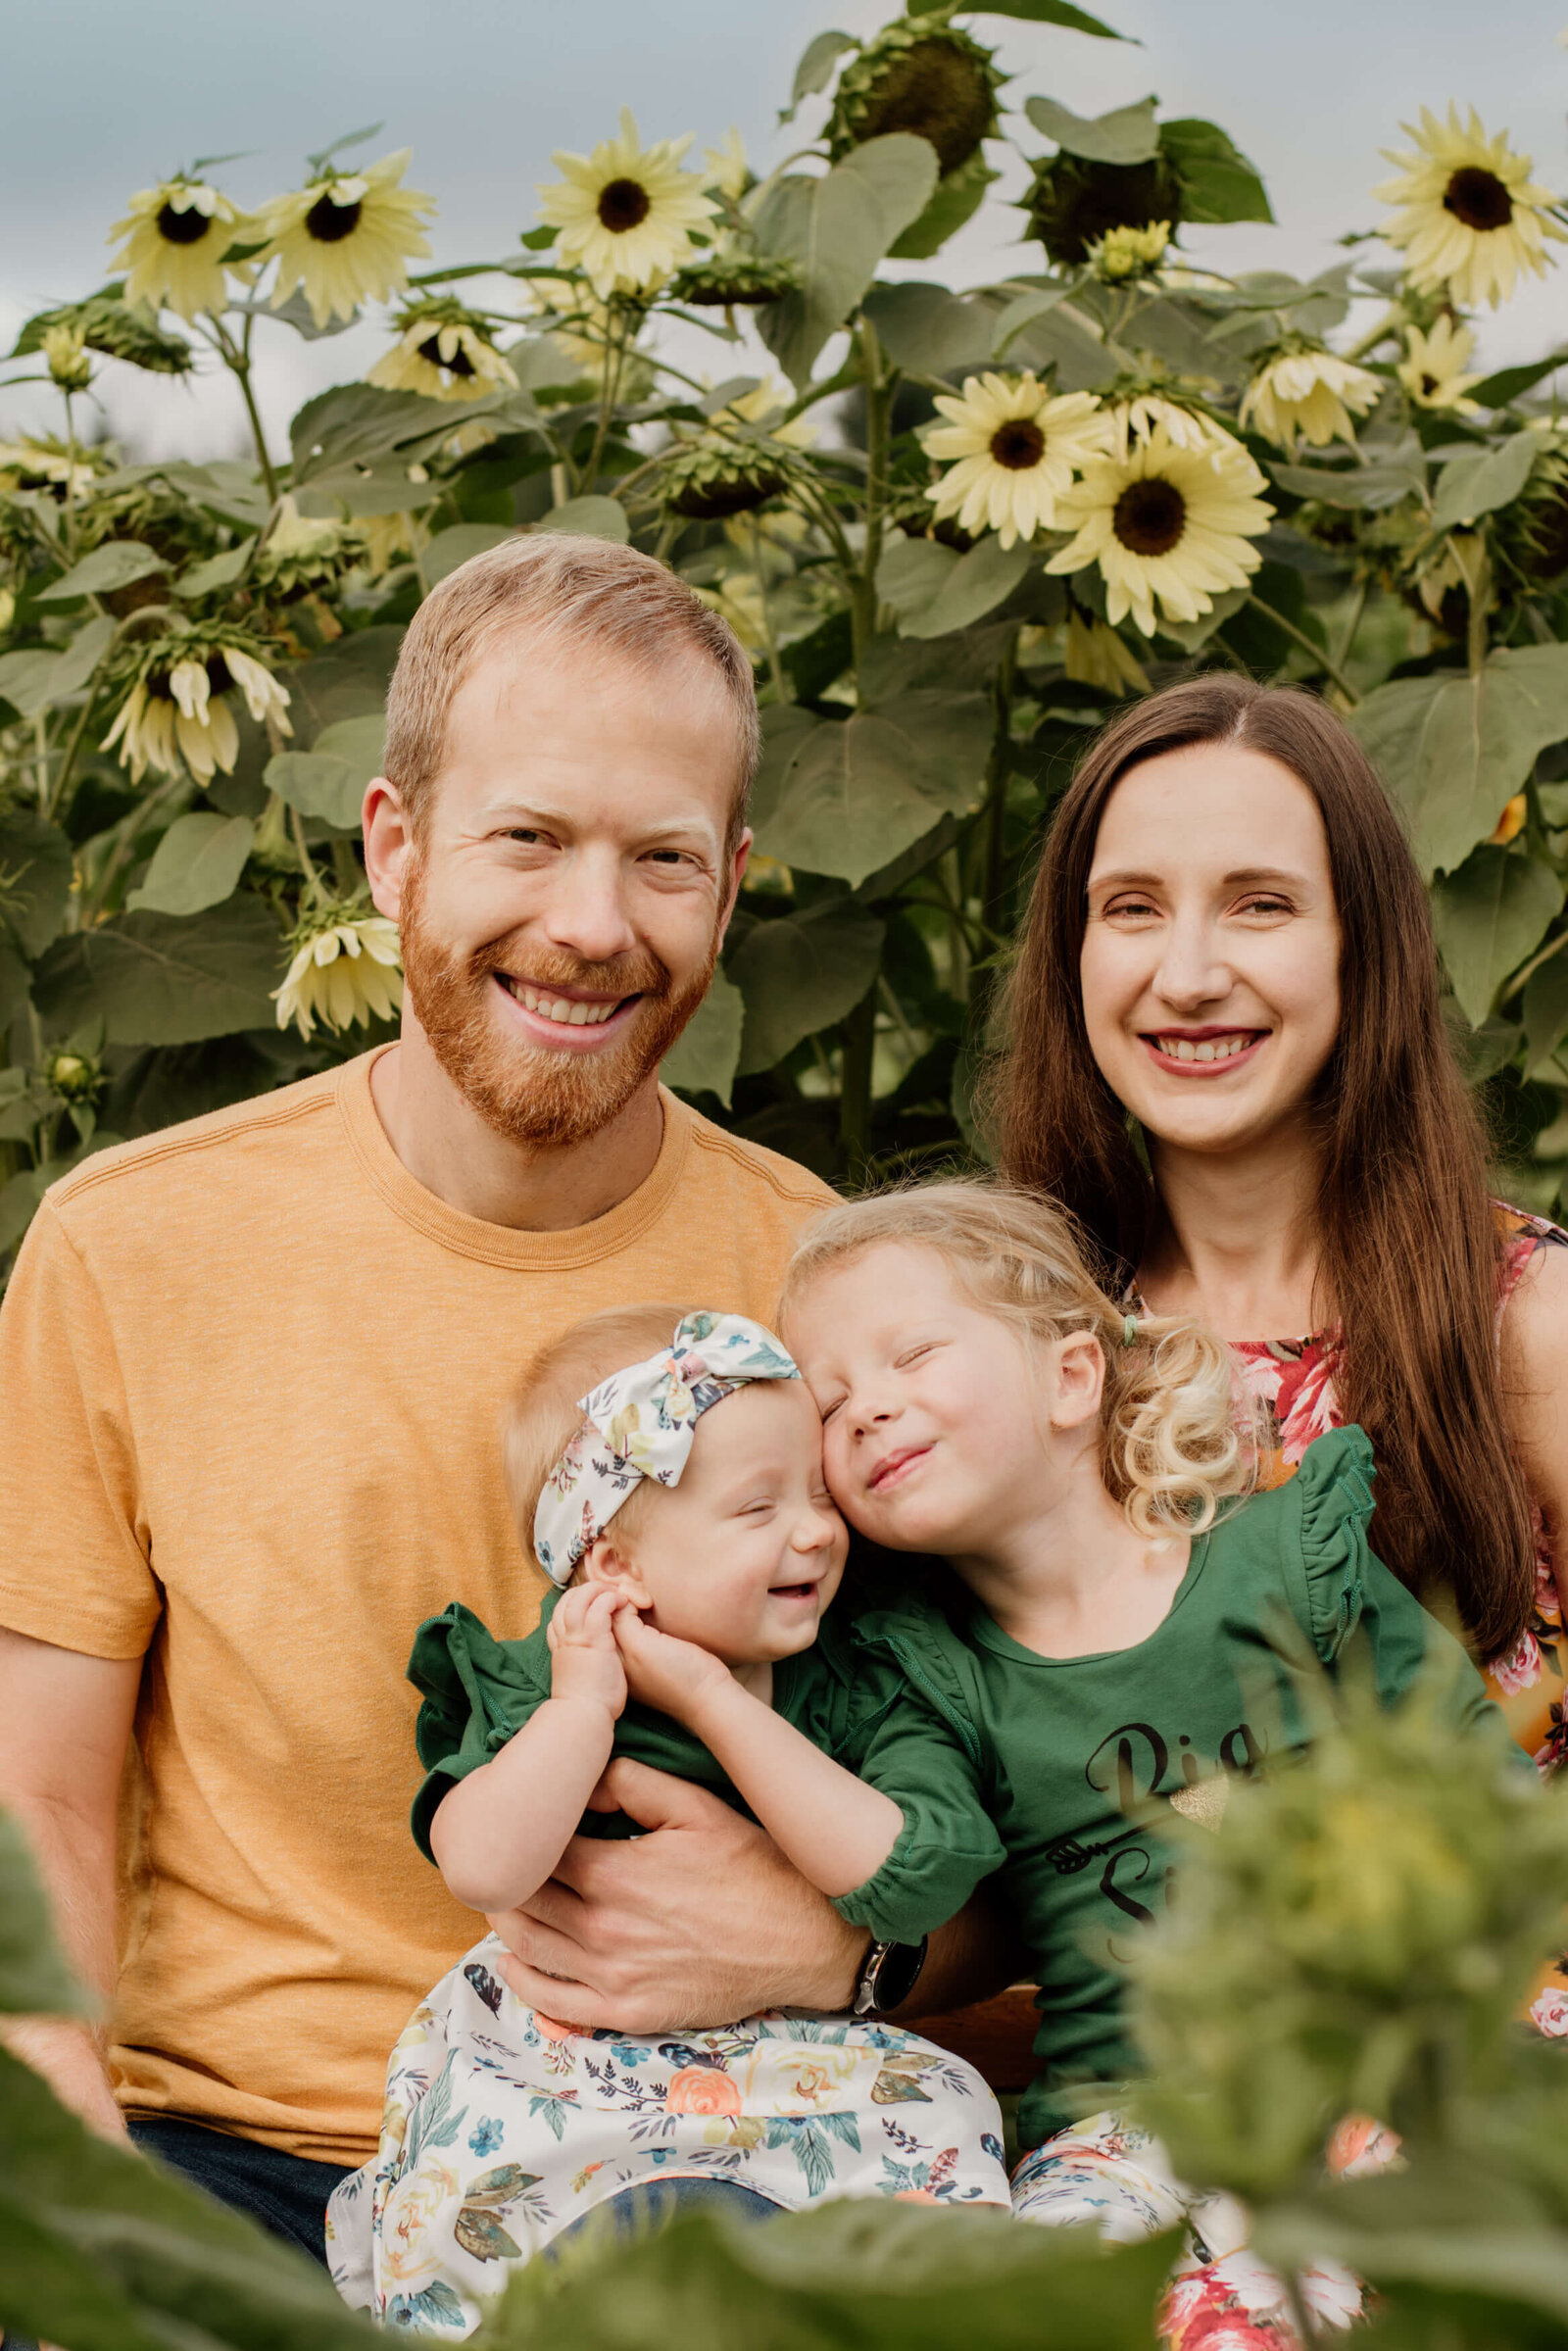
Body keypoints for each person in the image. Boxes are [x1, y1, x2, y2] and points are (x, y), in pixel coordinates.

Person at [0, 536, 993, 2268]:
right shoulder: (131, 1248)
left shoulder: (839, 1295)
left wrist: (846, 1957)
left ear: (735, 882)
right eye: (527, 835)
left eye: (662, 858)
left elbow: (1009, 1800)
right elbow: (40, 1804)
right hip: (239, 2156)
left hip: (712, 2142)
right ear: (395, 844)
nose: (593, 925)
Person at [776, 1179, 1515, 2343]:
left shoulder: (1281, 1562)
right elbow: (909, 1875)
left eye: (911, 1353)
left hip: (1386, 2046)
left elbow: (1480, 1782)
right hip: (1130, 2118)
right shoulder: (930, 1674)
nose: (866, 1407)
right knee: (1050, 2310)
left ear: (1072, 1376)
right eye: (827, 1401)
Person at [327, 1302, 1008, 2333]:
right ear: (614, 1565)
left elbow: (909, 1874)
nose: (817, 1528)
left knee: (944, 2117)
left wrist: (713, 1700)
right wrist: (581, 1712)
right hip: (565, 2065)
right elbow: (480, 1864)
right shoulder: (545, 1687)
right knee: (542, 2208)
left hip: (796, 2068)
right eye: (756, 1508)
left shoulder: (860, 1681)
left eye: (820, 1493)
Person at [989, 674, 1568, 1794]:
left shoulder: (1527, 1318)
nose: (1191, 975)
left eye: (1260, 903)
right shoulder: (1009, 1340)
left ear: (1364, 945)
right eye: (1132, 906)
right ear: (1071, 954)